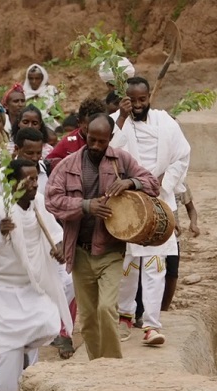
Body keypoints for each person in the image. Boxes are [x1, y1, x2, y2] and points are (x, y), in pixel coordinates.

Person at [45, 113, 159, 360]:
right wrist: (86, 206)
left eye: (102, 141)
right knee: (86, 319)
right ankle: (97, 364)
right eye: (92, 140)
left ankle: (112, 365)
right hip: (80, 252)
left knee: (107, 308)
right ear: (85, 134)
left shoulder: (122, 160)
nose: (96, 146)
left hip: (111, 250)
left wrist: (130, 183)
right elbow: (51, 200)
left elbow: (152, 183)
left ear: (110, 139)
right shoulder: (68, 165)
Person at [0, 158, 72, 391]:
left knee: (48, 324)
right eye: (27, 179)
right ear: (12, 183)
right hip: (2, 293)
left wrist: (59, 249)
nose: (33, 183)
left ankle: (22, 347)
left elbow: (57, 236)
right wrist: (0, 234)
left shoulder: (40, 204)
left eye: (35, 178)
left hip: (33, 286)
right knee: (7, 383)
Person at [111, 76, 191, 345]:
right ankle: (124, 317)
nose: (137, 105)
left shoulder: (166, 122)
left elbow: (183, 155)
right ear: (125, 99)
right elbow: (109, 152)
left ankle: (151, 325)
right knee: (129, 263)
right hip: (128, 199)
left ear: (149, 98)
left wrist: (163, 183)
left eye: (142, 100)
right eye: (132, 100)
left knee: (157, 263)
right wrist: (121, 119)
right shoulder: (117, 120)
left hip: (159, 198)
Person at [162, 181, 199, 311]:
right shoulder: (150, 178)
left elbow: (191, 209)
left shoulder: (180, 182)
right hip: (154, 235)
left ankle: (164, 308)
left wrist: (193, 224)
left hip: (173, 236)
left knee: (172, 273)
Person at [45, 96, 105, 168]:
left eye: (97, 125)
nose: (93, 130)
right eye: (88, 127)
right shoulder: (68, 143)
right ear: (79, 122)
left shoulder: (109, 140)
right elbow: (49, 161)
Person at [22, 64, 61, 130]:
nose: (34, 81)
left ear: (43, 79)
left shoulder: (50, 91)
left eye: (37, 79)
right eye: (31, 79)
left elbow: (57, 113)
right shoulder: (23, 93)